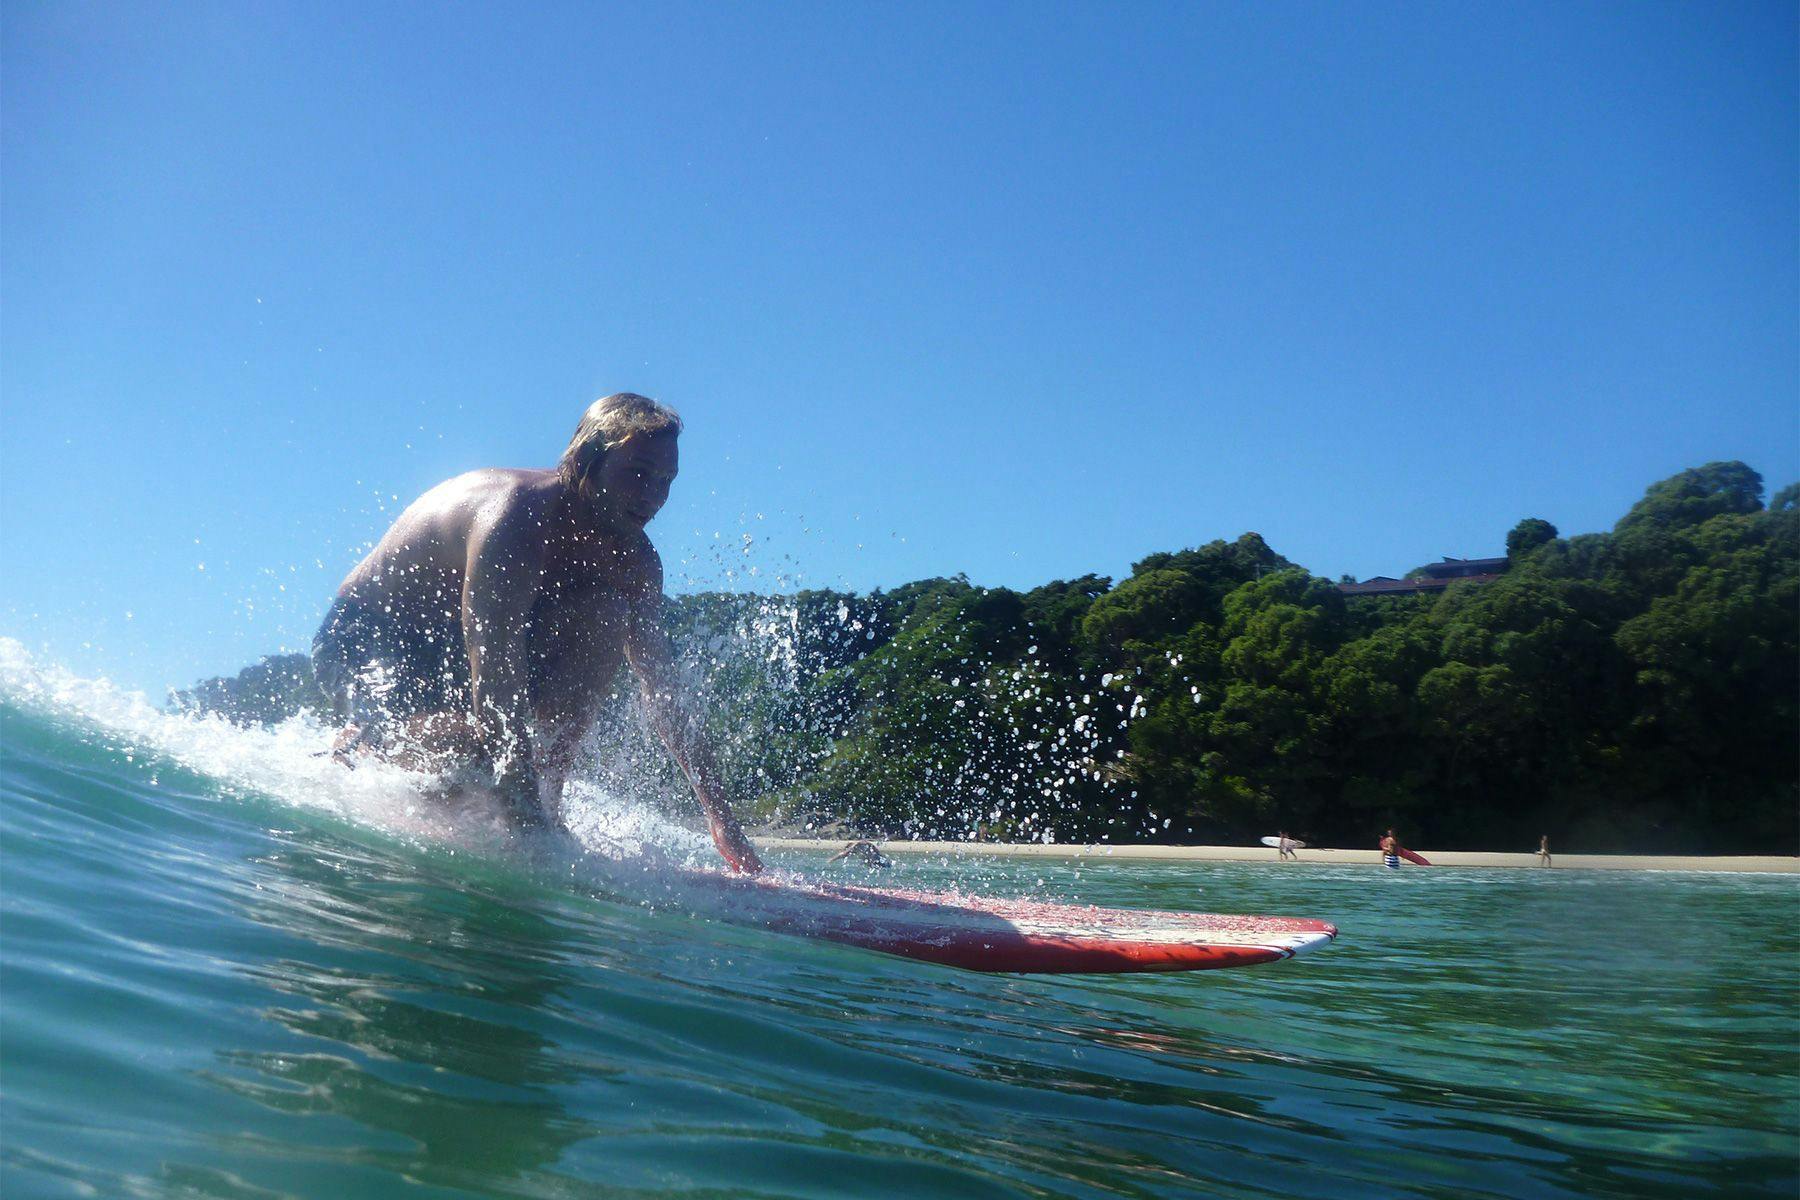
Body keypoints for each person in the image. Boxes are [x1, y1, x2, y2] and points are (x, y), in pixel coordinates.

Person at [311, 392, 762, 873]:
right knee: (473, 753)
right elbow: (496, 672)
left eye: (665, 481)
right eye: (637, 474)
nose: (652, 496)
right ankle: (361, 746)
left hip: (467, 646)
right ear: (588, 460)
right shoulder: (515, 519)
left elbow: (663, 690)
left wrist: (722, 820)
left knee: (605, 614)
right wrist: (524, 829)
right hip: (375, 637)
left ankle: (548, 801)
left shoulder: (635, 562)